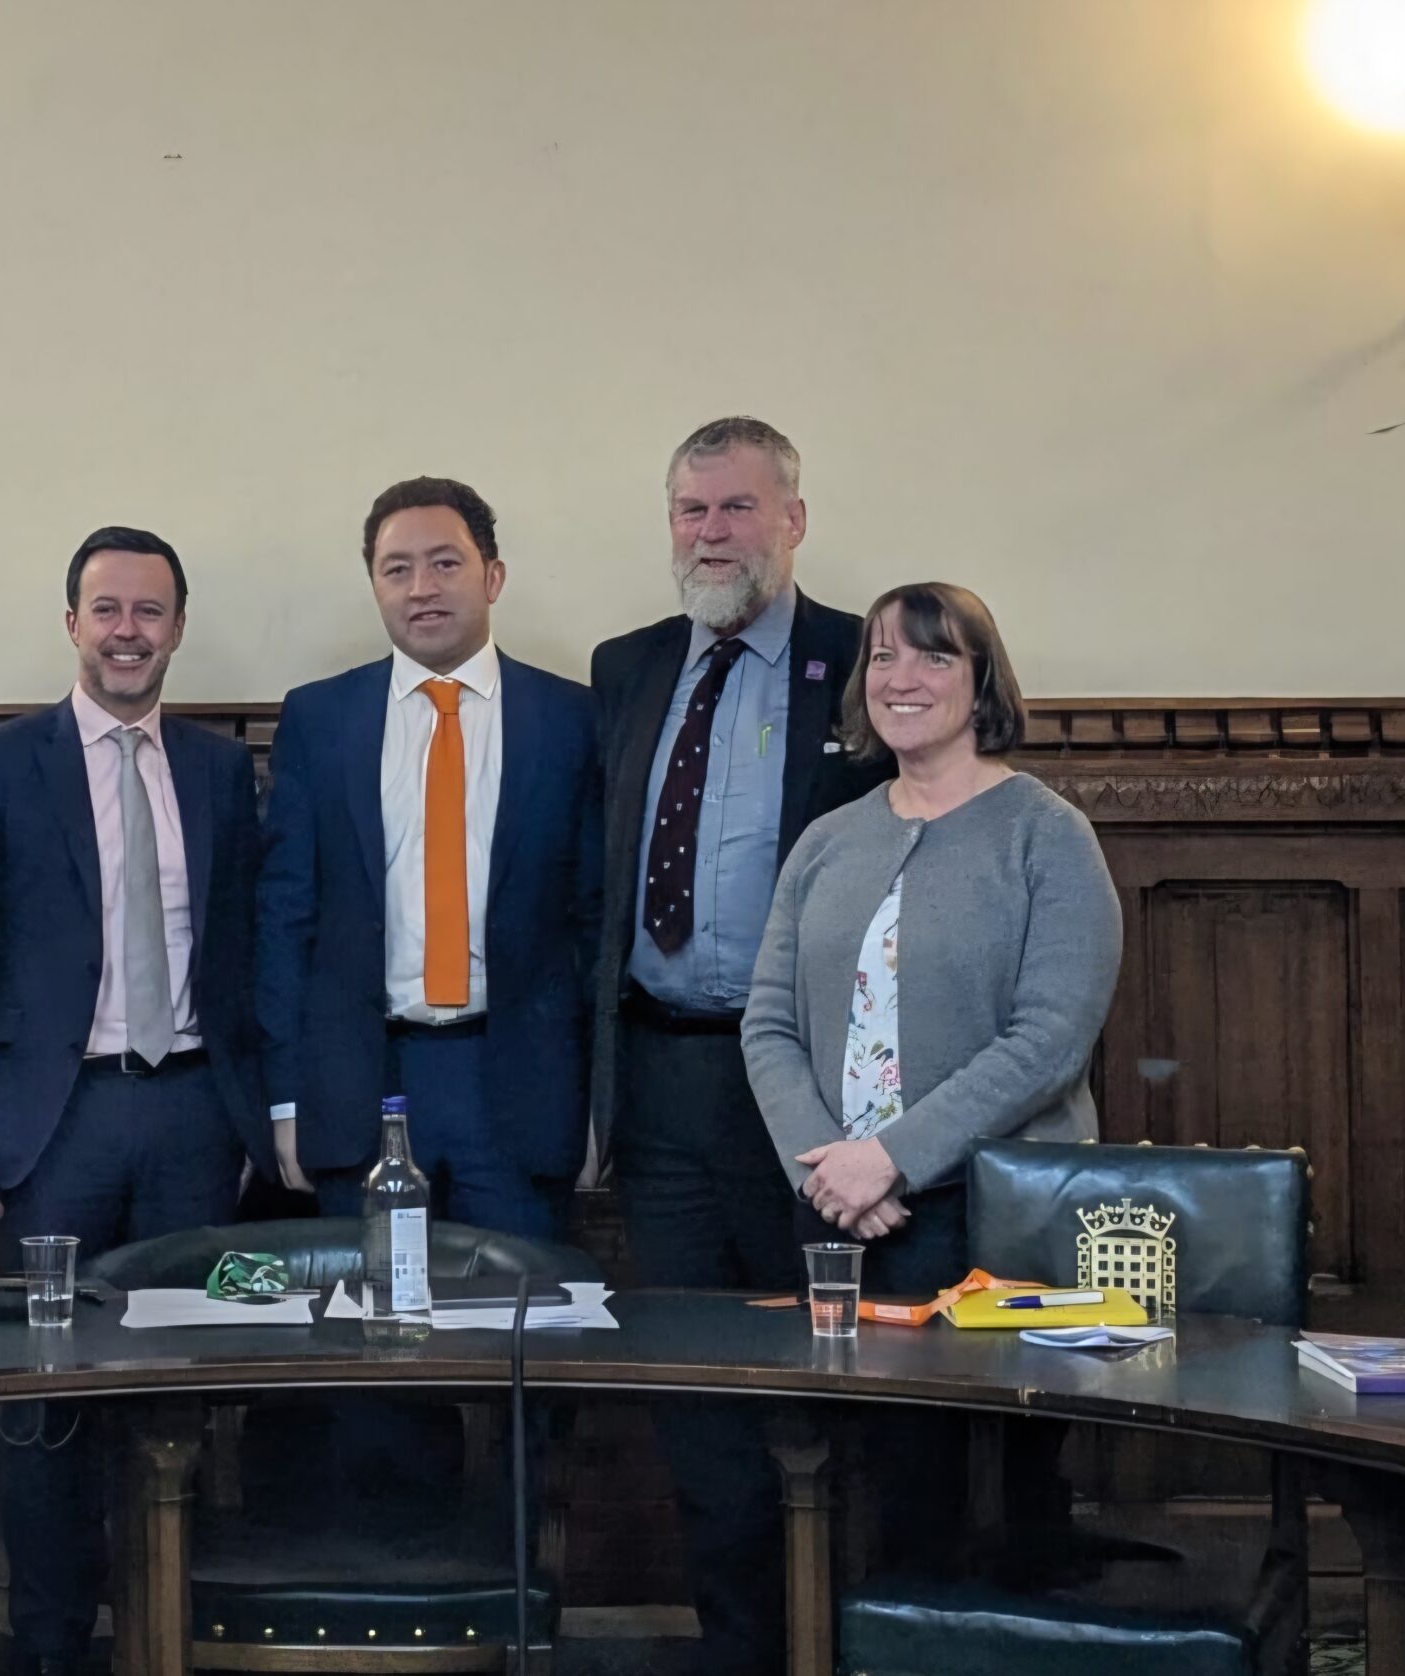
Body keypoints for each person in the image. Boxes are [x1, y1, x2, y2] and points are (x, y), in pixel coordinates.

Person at [586, 417, 889, 1674]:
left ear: (792, 521)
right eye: (689, 511)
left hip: (808, 1098)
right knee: (694, 1399)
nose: (709, 533)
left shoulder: (860, 660)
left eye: (735, 509)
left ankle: (846, 1642)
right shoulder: (627, 665)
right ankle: (740, 1650)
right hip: (657, 1084)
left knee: (838, 1393)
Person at [744, 581, 1121, 1563]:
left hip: (988, 1216)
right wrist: (826, 1168)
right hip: (835, 1215)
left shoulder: (1046, 833)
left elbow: (1048, 1038)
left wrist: (892, 1159)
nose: (901, 678)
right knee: (854, 1490)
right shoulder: (829, 838)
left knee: (982, 1500)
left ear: (982, 680)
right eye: (882, 657)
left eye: (934, 655)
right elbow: (768, 1023)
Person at [0, 526, 266, 1676]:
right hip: (53, 1118)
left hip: (192, 1112)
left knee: (176, 1399)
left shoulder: (221, 769)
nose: (127, 629)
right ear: (72, 623)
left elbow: (242, 950)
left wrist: (250, 1110)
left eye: (149, 609)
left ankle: (166, 1633)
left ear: (177, 626)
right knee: (47, 1403)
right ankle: (50, 1643)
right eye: (106, 608)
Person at [257, 477, 602, 1239]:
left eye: (446, 563)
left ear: (494, 575)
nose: (422, 588)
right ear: (375, 585)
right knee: (370, 1337)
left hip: (517, 1080)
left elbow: (594, 925)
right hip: (362, 1081)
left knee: (517, 1331)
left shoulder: (571, 718)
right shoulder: (320, 719)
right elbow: (285, 922)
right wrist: (287, 1100)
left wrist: (595, 1103)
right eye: (397, 568)